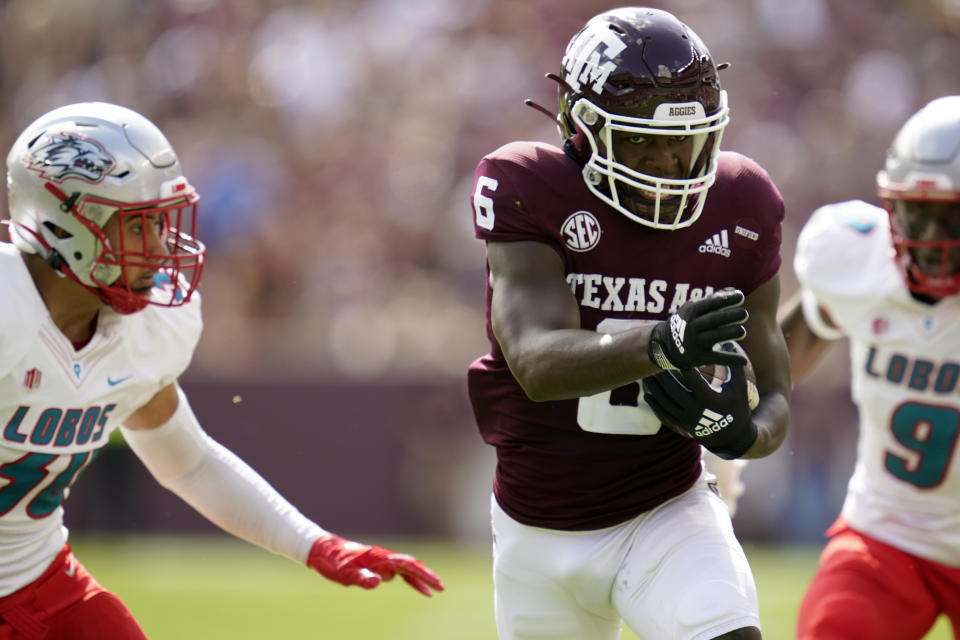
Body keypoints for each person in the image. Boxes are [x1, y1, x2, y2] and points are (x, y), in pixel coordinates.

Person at [0, 101, 443, 639]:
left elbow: (189, 464)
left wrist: (313, 543)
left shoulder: (146, 327)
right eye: (137, 228)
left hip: (38, 579)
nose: (161, 248)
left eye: (160, 223)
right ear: (65, 225)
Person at [465, 7, 791, 640]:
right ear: (582, 129)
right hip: (538, 528)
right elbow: (535, 361)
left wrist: (742, 436)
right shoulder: (530, 185)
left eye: (686, 140)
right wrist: (663, 343)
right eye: (643, 139)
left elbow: (777, 393)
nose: (670, 162)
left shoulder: (742, 201)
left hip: (666, 509)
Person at [781, 95, 960, 640]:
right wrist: (737, 404)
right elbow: (804, 331)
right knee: (836, 625)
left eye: (948, 218)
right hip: (889, 532)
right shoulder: (859, 263)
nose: (929, 243)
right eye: (915, 214)